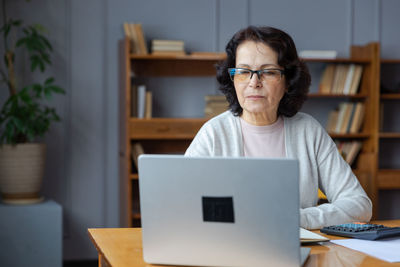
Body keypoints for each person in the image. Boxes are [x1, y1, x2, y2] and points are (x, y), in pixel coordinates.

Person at [185, 25, 372, 229]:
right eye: (243, 72)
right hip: (230, 249)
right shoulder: (214, 133)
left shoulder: (308, 131)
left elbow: (359, 205)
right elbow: (182, 205)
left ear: (288, 81)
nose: (254, 82)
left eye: (268, 72)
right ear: (233, 79)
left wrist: (296, 219)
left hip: (296, 250)